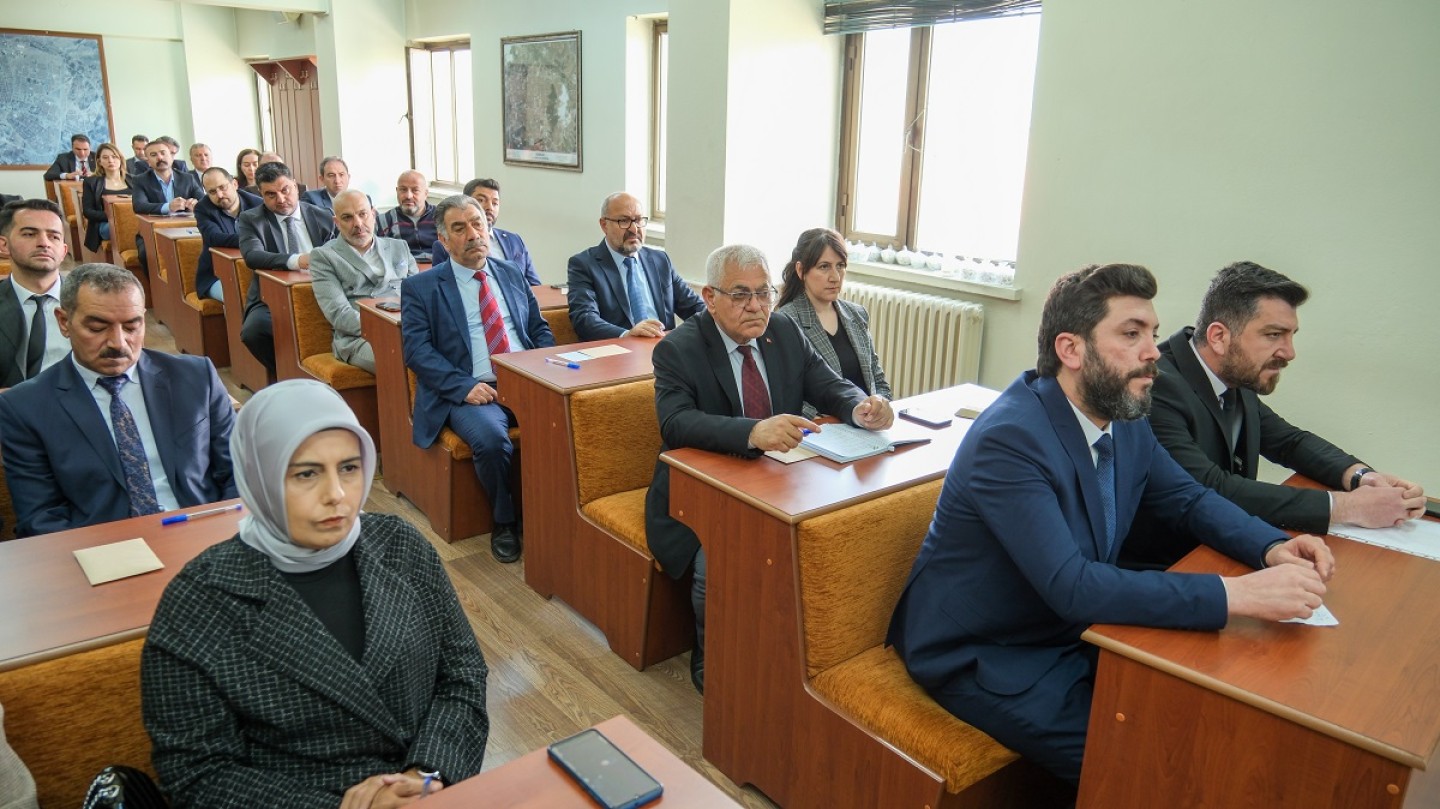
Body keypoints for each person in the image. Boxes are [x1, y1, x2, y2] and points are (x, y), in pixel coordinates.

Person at [886, 263, 1333, 787]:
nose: (1153, 352)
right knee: (1146, 767)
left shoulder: (1124, 418)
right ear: (1071, 350)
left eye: (1153, 333)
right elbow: (1073, 586)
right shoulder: (1009, 440)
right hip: (990, 651)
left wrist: (1272, 546)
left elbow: (1188, 498)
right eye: (1131, 334)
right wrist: (1239, 594)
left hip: (1069, 627)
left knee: (1207, 717)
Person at [141, 379, 488, 808]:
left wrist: (427, 774)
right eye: (306, 473)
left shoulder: (400, 545)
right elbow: (198, 775)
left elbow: (462, 675)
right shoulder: (198, 601)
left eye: (349, 468)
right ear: (259, 476)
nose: (336, 495)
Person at [647, 243, 893, 693]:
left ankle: (793, 652)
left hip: (781, 479)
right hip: (702, 488)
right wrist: (752, 432)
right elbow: (675, 422)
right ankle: (709, 650)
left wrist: (862, 407)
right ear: (709, 297)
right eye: (741, 294)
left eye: (764, 293)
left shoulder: (783, 330)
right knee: (715, 563)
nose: (756, 306)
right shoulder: (678, 349)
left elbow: (828, 385)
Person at [1123, 261, 1425, 568]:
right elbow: (1210, 488)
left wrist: (1362, 477)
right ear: (1219, 337)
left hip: (1228, 546)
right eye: (1273, 335)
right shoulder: (1156, 386)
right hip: (1171, 565)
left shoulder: (1233, 374)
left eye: (1291, 335)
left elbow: (1289, 442)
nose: (1289, 352)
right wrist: (1346, 507)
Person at [0, 263, 237, 538]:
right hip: (104, 547)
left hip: (204, 534)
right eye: (98, 328)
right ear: (64, 322)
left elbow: (240, 472)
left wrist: (230, 537)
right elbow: (40, 517)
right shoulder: (25, 407)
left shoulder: (196, 377)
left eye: (131, 326)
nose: (118, 343)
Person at [401, 195, 553, 564]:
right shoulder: (422, 287)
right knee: (491, 440)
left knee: (567, 427)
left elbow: (538, 329)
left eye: (478, 224)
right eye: (460, 228)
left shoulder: (510, 273)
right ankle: (504, 521)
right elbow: (417, 352)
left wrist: (545, 369)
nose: (473, 234)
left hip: (527, 380)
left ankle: (551, 514)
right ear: (443, 239)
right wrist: (464, 386)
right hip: (471, 389)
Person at [775, 227, 891, 418]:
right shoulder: (786, 321)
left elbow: (877, 381)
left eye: (840, 266)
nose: (835, 277)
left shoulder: (856, 314)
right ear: (801, 270)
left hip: (867, 423)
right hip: (825, 427)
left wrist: (880, 406)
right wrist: (837, 419)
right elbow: (788, 398)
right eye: (824, 267)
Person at [237, 161, 335, 376]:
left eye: (285, 190)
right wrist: (297, 261)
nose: (280, 199)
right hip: (273, 296)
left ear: (295, 185)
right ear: (261, 195)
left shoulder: (323, 215)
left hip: (324, 290)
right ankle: (283, 373)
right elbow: (252, 256)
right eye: (271, 195)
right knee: (253, 332)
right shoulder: (251, 219)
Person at [567, 192, 704, 341]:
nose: (634, 229)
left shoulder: (660, 260)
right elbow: (585, 319)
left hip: (664, 347)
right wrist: (627, 334)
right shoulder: (584, 265)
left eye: (638, 220)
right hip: (619, 349)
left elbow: (694, 307)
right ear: (604, 225)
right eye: (624, 221)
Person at [309, 189, 418, 373]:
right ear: (336, 223)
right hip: (360, 337)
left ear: (373, 215)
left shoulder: (399, 247)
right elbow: (339, 314)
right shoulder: (324, 257)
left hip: (409, 328)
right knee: (404, 356)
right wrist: (391, 328)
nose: (358, 224)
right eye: (347, 218)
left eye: (363, 214)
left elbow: (419, 297)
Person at [0, 200, 70, 388]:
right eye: (30, 234)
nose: (44, 243)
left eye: (54, 237)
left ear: (64, 250)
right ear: (4, 245)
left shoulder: (90, 302)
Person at [430, 178, 540, 285]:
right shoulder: (443, 246)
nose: (489, 207)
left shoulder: (514, 239)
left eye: (495, 203)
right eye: (481, 200)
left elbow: (534, 284)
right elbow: (442, 286)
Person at [194, 167, 263, 303]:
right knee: (236, 295)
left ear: (235, 184)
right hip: (216, 275)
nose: (219, 195)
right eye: (212, 192)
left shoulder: (258, 204)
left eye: (222, 187)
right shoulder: (203, 208)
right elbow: (213, 238)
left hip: (257, 270)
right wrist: (251, 240)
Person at [80, 142, 134, 254]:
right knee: (123, 228)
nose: (111, 160)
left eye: (114, 157)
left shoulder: (134, 180)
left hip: (132, 220)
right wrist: (114, 217)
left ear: (120, 159)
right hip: (105, 223)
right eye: (105, 157)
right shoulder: (91, 182)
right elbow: (88, 211)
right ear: (99, 161)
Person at [130, 138, 202, 217]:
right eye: (153, 155)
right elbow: (139, 206)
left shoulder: (188, 178)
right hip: (157, 223)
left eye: (163, 153)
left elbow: (205, 201)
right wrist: (168, 207)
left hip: (185, 223)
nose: (160, 157)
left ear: (171, 157)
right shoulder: (140, 180)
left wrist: (195, 204)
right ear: (148, 162)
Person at [376, 170, 436, 261]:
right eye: (403, 190)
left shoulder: (442, 217)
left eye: (415, 190)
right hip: (402, 268)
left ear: (425, 193)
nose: (408, 196)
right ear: (397, 191)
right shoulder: (383, 221)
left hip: (438, 266)